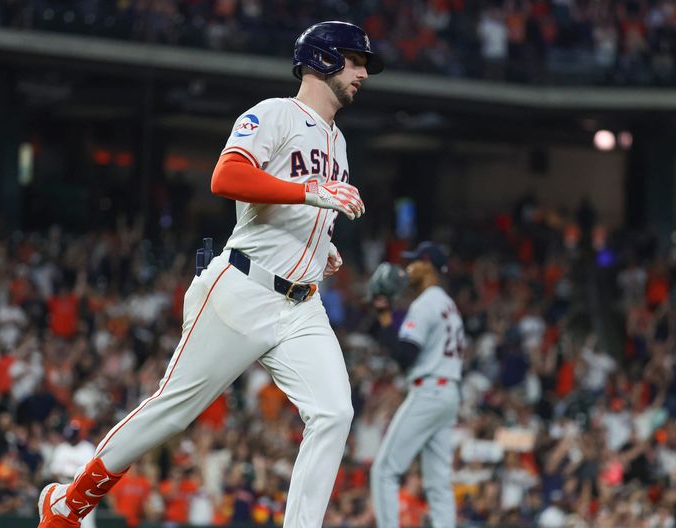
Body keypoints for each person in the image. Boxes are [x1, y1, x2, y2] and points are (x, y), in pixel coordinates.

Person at [37, 20, 383, 528]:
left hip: (300, 305)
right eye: (356, 61)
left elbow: (299, 206)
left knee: (334, 413)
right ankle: (70, 503)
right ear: (324, 60)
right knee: (173, 411)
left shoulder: (340, 142)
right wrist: (312, 194)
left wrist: (323, 242)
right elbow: (227, 177)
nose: (364, 74)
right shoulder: (274, 113)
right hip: (243, 288)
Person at [369, 242, 464, 528]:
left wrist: (385, 316)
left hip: (430, 390)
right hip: (449, 393)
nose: (408, 269)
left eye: (414, 263)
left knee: (383, 471)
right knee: (438, 482)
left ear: (428, 266)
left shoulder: (425, 303)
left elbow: (404, 356)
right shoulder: (449, 305)